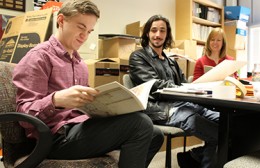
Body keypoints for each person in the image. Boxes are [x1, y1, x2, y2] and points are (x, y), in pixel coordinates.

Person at [12, 0, 164, 168]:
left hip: (79, 126)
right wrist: (56, 100)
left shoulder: (80, 63)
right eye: (80, 27)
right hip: (53, 138)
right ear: (61, 21)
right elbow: (25, 118)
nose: (84, 36)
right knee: (140, 124)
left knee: (155, 134)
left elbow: (86, 107)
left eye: (89, 31)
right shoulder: (39, 57)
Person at [129, 14, 219, 168]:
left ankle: (195, 157)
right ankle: (196, 159)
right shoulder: (138, 57)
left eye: (162, 31)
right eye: (154, 30)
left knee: (225, 122)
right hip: (161, 110)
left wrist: (197, 87)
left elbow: (184, 84)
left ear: (167, 34)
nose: (158, 35)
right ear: (147, 33)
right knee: (217, 134)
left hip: (185, 105)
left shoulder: (171, 61)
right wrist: (183, 89)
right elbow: (154, 84)